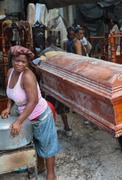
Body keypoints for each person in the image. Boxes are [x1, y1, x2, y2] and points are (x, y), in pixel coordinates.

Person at [1, 45, 60, 180]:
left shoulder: (27, 76)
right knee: (34, 142)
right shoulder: (9, 73)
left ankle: (51, 174)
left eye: (23, 61)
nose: (20, 64)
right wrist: (8, 107)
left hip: (40, 116)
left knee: (47, 145)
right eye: (17, 60)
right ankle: (40, 167)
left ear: (28, 63)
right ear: (12, 60)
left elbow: (32, 102)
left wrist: (18, 121)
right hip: (26, 117)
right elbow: (9, 93)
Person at [37, 35, 73, 137]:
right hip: (61, 85)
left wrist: (42, 80)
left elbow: (39, 68)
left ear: (47, 42)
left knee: (48, 107)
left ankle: (51, 128)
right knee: (62, 107)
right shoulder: (63, 52)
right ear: (56, 41)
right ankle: (67, 128)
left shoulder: (44, 52)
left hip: (49, 85)